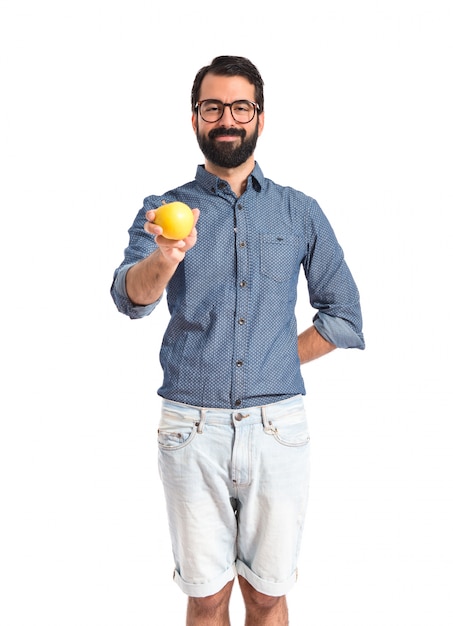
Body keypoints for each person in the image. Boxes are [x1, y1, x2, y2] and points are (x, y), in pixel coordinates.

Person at [111, 55, 365, 626]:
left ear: (260, 117)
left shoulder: (300, 211)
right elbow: (131, 298)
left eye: (240, 107)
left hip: (279, 429)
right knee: (205, 599)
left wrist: (270, 356)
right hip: (189, 430)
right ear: (195, 118)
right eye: (213, 107)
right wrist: (167, 256)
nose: (227, 118)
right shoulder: (161, 213)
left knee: (268, 597)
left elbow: (344, 316)